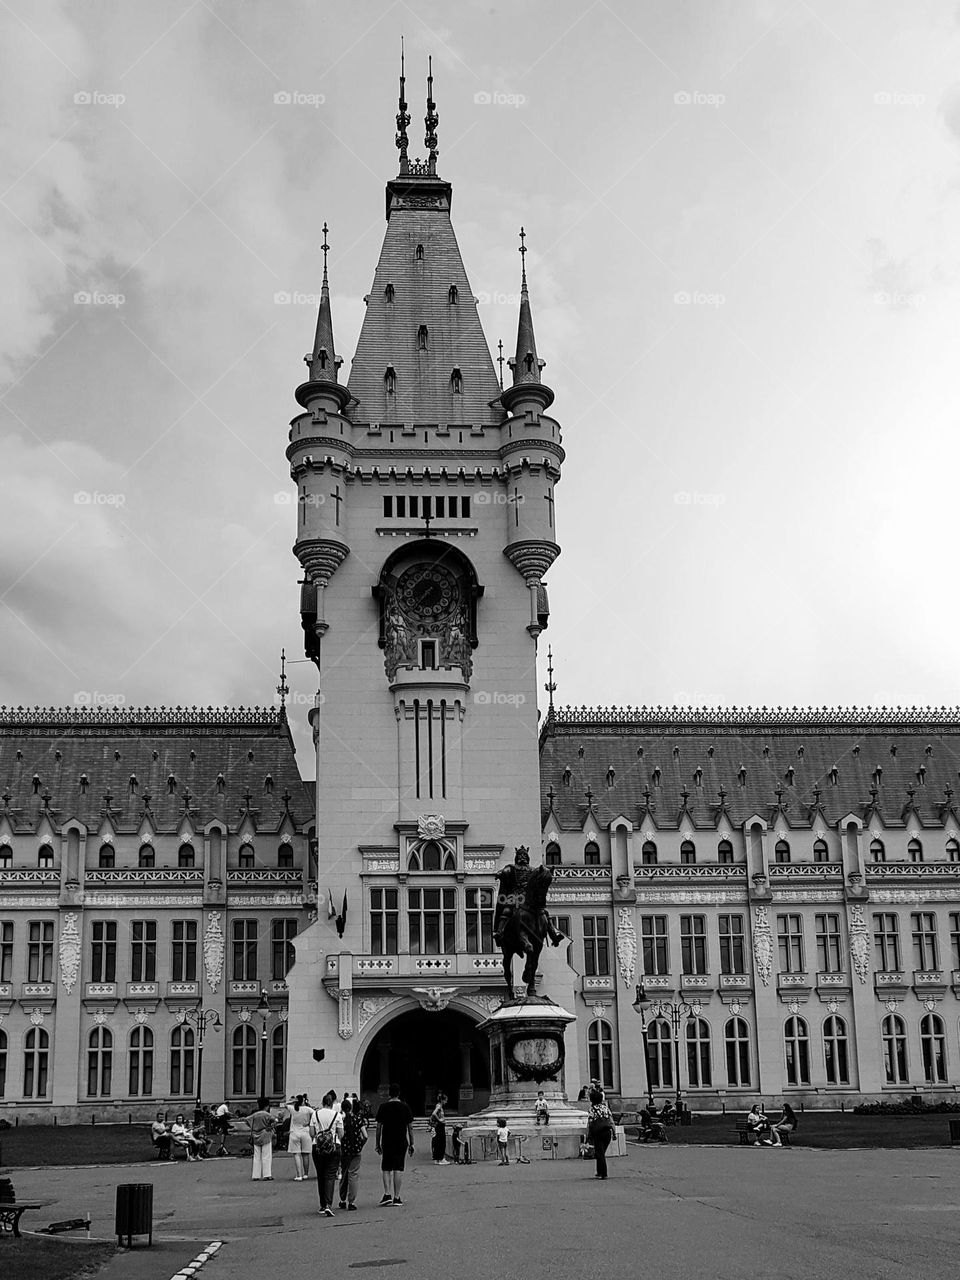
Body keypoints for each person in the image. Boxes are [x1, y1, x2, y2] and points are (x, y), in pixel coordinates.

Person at [375, 1082, 414, 1207]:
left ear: (389, 1093)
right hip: (401, 1141)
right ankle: (397, 1197)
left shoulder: (383, 1107)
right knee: (398, 1168)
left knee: (386, 1167)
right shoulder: (405, 1107)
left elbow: (378, 1127)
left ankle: (387, 1194)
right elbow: (410, 1127)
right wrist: (412, 1143)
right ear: (399, 1093)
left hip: (387, 1140)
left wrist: (377, 1143)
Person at [311, 1090, 344, 1216]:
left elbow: (312, 1133)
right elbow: (341, 1134)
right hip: (334, 1146)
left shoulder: (315, 1114)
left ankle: (322, 1204)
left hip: (317, 1147)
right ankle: (329, 1205)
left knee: (321, 1175)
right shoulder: (337, 1115)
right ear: (332, 1103)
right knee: (330, 1175)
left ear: (322, 1102)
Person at [337, 1097, 367, 1210]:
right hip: (356, 1150)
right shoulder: (358, 1119)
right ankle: (351, 1202)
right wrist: (360, 1145)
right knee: (353, 1175)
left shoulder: (341, 1121)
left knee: (344, 1174)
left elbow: (339, 1136)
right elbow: (365, 1136)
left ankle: (342, 1199)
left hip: (345, 1151)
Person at [587, 1087, 615, 1179]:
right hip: (607, 1132)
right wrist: (614, 1132)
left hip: (598, 1132)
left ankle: (604, 1173)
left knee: (600, 1153)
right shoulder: (605, 1108)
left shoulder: (592, 1109)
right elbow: (611, 1121)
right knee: (601, 1152)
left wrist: (588, 1135)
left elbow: (590, 1123)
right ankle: (599, 1172)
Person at [287, 1093, 316, 1182]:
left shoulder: (293, 1109)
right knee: (305, 1154)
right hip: (305, 1132)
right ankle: (306, 1174)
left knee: (297, 1154)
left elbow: (286, 1104)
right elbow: (315, 1114)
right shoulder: (307, 1109)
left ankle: (299, 1175)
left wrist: (293, 1101)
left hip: (294, 1132)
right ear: (303, 1101)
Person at [248, 1097, 276, 1179]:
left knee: (257, 1156)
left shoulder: (255, 1115)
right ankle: (267, 1174)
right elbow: (275, 1121)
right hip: (265, 1135)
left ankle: (255, 1175)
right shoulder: (267, 1115)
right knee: (266, 1156)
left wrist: (253, 1128)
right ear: (267, 1106)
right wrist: (270, 1127)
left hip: (256, 1136)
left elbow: (247, 1120)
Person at [429, 1093, 450, 1164]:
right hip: (440, 1126)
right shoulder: (439, 1106)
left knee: (438, 1141)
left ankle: (437, 1158)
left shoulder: (438, 1106)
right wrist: (439, 1120)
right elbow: (434, 1113)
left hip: (439, 1126)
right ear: (442, 1100)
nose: (446, 1102)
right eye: (445, 1100)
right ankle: (441, 1158)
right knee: (441, 1142)